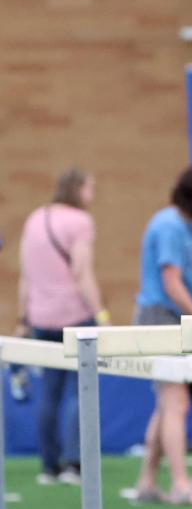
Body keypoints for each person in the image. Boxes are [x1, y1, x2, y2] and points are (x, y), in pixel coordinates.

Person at [131, 163, 192, 505]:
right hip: (162, 317)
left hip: (170, 317)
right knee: (177, 404)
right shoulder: (171, 225)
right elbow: (171, 283)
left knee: (166, 405)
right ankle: (181, 484)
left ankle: (146, 481)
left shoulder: (182, 226)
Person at [17, 168, 108, 485]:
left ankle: (48, 466)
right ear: (78, 189)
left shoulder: (34, 219)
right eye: (90, 188)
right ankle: (74, 464)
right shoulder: (80, 222)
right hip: (74, 316)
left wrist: (23, 318)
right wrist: (101, 314)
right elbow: (82, 273)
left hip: (40, 317)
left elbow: (26, 276)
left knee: (49, 396)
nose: (92, 195)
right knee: (80, 393)